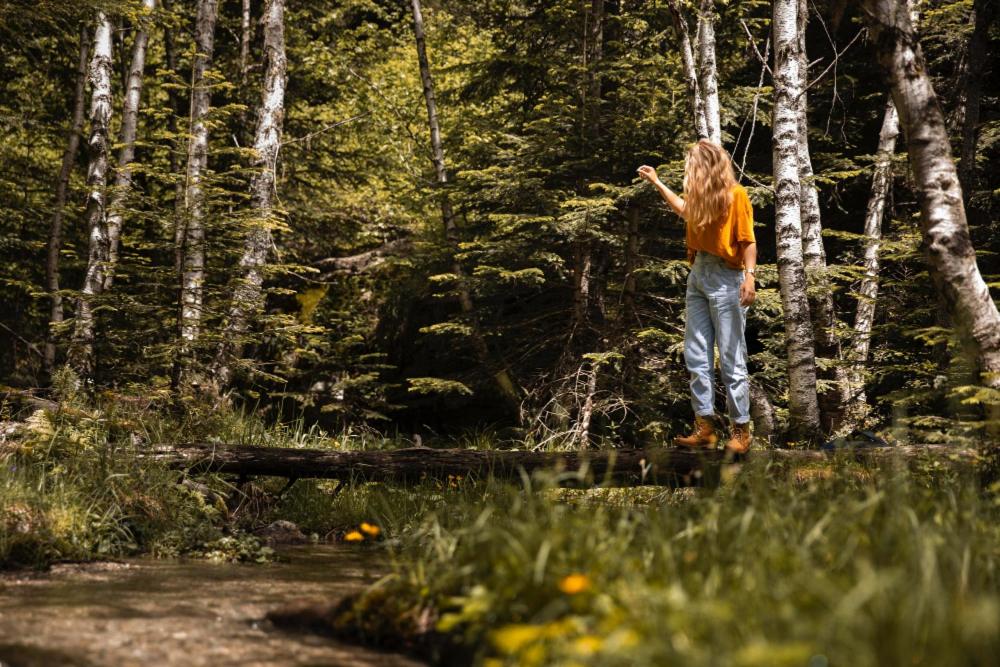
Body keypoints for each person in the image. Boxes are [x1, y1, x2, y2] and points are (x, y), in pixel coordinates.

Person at [637, 139, 757, 454]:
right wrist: (657, 181)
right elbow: (683, 209)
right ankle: (705, 428)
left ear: (706, 168)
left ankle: (741, 432)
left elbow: (747, 241)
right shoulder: (701, 199)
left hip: (726, 278)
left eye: (692, 167)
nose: (689, 173)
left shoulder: (736, 196)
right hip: (699, 276)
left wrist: (749, 277)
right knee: (696, 354)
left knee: (731, 357)